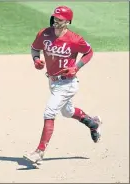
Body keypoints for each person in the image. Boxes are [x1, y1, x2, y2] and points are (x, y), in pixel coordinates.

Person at [23, 6, 102, 165]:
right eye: (54, 17)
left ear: (67, 22)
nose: (55, 21)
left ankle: (39, 152)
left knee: (49, 111)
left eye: (59, 19)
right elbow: (34, 49)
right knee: (68, 112)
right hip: (53, 81)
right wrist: (36, 60)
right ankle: (93, 124)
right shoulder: (44, 34)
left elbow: (89, 52)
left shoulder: (75, 39)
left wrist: (77, 67)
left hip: (67, 83)